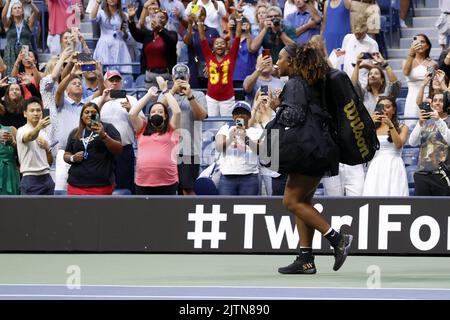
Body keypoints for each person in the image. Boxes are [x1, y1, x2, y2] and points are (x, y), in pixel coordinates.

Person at [270, 43, 352, 274]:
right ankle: (305, 259)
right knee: (302, 203)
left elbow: (293, 116)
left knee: (291, 201)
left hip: (310, 149)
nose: (278, 62)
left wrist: (278, 107)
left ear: (293, 62)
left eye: (281, 58)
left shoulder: (295, 83)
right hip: (320, 148)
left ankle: (338, 239)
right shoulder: (313, 81)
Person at [158, 63, 208, 195]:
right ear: (172, 79)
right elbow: (157, 112)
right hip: (166, 150)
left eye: (183, 77)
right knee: (166, 189)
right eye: (177, 77)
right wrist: (172, 91)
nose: (180, 80)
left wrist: (190, 96)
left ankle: (191, 214)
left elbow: (201, 116)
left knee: (187, 189)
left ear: (189, 77)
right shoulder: (166, 95)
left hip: (189, 150)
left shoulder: (198, 95)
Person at [129, 76, 182, 195]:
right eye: (153, 112)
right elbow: (132, 113)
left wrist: (165, 90)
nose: (156, 113)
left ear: (165, 116)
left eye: (160, 111)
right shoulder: (142, 128)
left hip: (167, 182)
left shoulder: (171, 128)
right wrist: (149, 95)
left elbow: (177, 111)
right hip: (143, 182)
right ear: (149, 116)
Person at [92, 70, 139, 194]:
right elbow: (90, 123)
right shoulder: (97, 101)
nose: (114, 83)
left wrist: (131, 110)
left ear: (121, 82)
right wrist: (102, 101)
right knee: (102, 186)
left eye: (117, 80)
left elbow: (141, 126)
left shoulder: (131, 100)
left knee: (125, 187)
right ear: (105, 82)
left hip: (124, 150)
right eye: (111, 80)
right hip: (102, 151)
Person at [63, 103, 123, 195]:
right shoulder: (75, 132)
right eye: (86, 112)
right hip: (76, 185)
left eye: (93, 112)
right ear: (81, 116)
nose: (90, 115)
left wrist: (104, 136)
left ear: (98, 115)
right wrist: (73, 158)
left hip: (101, 185)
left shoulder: (108, 128)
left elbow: (118, 149)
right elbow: (66, 154)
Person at [198, 10, 242, 116]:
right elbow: (203, 39)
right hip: (211, 98)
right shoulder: (209, 57)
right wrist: (199, 22)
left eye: (222, 43)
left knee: (226, 125)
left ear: (226, 46)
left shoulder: (231, 57)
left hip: (228, 98)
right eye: (217, 43)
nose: (219, 45)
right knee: (212, 125)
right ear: (213, 47)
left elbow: (237, 38)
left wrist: (239, 20)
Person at [363, 96, 409, 196]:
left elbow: (398, 145)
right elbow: (364, 146)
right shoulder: (373, 127)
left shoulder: (402, 127)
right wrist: (368, 124)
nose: (384, 109)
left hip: (394, 165)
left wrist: (390, 125)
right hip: (376, 165)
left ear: (394, 110)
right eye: (381, 107)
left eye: (387, 107)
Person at [215, 101, 262, 195]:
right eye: (236, 113)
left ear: (249, 116)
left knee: (248, 208)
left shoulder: (256, 131)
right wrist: (230, 138)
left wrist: (246, 138)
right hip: (227, 176)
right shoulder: (225, 128)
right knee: (226, 207)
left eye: (243, 113)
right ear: (233, 116)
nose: (239, 115)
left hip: (250, 176)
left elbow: (260, 150)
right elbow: (219, 147)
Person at [409, 92, 450, 196]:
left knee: (442, 210)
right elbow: (412, 142)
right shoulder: (426, 122)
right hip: (421, 175)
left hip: (442, 175)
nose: (437, 103)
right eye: (435, 100)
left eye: (441, 100)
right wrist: (420, 123)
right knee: (420, 210)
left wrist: (438, 120)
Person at [128, 4, 178, 88]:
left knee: (167, 99)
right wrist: (131, 19)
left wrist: (160, 30)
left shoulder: (171, 34)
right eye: (157, 17)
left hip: (166, 76)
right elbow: (135, 34)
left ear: (166, 21)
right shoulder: (148, 34)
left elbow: (171, 42)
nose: (159, 19)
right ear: (152, 19)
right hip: (150, 75)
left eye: (162, 18)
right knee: (151, 100)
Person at [16, 97, 54, 195]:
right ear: (25, 113)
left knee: (50, 210)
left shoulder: (44, 133)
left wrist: (48, 148)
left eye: (38, 110)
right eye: (32, 111)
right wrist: (38, 127)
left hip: (47, 177)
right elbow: (29, 137)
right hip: (30, 178)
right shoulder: (21, 130)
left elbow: (49, 162)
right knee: (28, 210)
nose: (36, 113)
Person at [402, 34, 437, 129]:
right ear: (412, 45)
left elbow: (431, 80)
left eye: (423, 42)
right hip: (411, 99)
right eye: (417, 42)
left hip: (426, 98)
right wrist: (411, 53)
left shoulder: (432, 63)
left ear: (428, 46)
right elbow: (405, 72)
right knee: (410, 127)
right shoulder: (406, 61)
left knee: (428, 127)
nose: (420, 44)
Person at [91, 0, 132, 74]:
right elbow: (93, 19)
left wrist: (124, 32)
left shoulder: (124, 15)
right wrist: (97, 3)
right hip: (104, 45)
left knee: (120, 74)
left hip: (120, 46)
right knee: (102, 72)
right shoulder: (101, 13)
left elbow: (128, 36)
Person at [1, 0, 39, 74]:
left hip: (25, 51)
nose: (17, 9)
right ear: (11, 12)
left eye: (19, 8)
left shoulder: (28, 23)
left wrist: (31, 2)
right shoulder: (8, 24)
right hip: (10, 52)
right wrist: (8, 2)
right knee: (11, 75)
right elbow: (3, 16)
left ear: (22, 11)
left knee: (27, 74)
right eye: (15, 8)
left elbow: (36, 12)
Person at [0, 123, 19, 195]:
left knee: (12, 204)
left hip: (10, 174)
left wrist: (13, 143)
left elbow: (24, 153)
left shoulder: (11, 130)